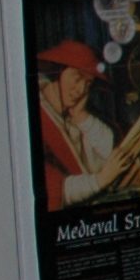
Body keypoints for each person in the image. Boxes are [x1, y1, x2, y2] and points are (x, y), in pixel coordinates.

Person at [35, 39, 120, 211]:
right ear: (58, 73)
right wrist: (100, 180)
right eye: (77, 77)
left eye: (88, 83)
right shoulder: (40, 117)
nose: (81, 90)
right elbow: (54, 188)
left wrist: (81, 116)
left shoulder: (73, 115)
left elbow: (109, 152)